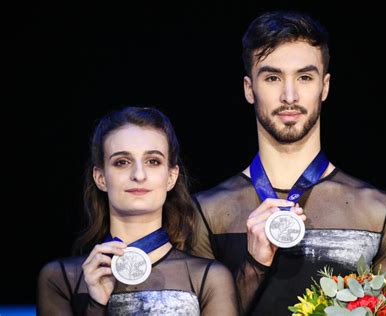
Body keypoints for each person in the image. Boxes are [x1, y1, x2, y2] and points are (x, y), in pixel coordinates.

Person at [190, 10, 386, 315]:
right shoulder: (206, 213)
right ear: (248, 88)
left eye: (305, 77)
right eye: (272, 77)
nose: (289, 95)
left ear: (325, 86)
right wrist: (253, 267)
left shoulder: (378, 212)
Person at [37, 107, 238, 315]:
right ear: (101, 178)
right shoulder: (60, 278)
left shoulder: (208, 278)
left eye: (153, 161)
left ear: (171, 177)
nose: (139, 175)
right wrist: (96, 305)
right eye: (122, 162)